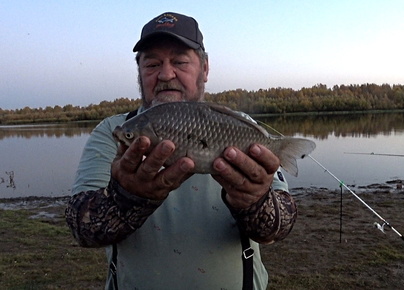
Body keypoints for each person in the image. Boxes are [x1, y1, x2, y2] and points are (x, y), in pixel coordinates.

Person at [65, 11, 297, 290]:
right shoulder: (113, 132)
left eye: (179, 61)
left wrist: (254, 201)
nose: (165, 74)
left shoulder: (244, 129)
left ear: (205, 68)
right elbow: (82, 228)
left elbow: (279, 226)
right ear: (139, 71)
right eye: (152, 63)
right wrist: (126, 199)